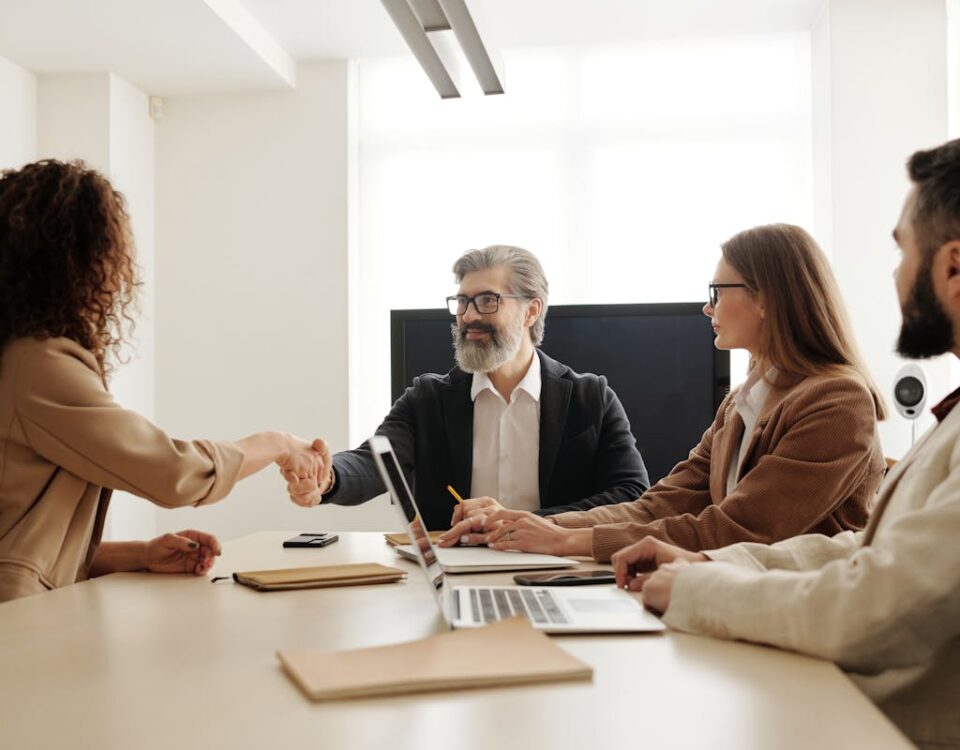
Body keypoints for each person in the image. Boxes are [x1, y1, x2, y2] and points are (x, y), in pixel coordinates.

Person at [612, 138, 960, 750]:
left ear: (953, 268)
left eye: (902, 250)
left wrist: (702, 587)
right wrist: (710, 566)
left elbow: (881, 604)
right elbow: (859, 549)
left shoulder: (835, 400)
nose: (894, 273)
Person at [440, 224, 887, 561]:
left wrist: (570, 540)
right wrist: (535, 526)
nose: (707, 306)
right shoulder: (741, 403)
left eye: (717, 290)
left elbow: (740, 529)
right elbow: (658, 504)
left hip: (799, 625)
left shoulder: (837, 402)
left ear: (766, 298)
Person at [0, 159, 327, 604]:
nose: (117, 276)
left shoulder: (23, 356)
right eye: (109, 254)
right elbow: (172, 473)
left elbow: (20, 536)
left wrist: (138, 555)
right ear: (75, 261)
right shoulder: (37, 364)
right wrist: (275, 443)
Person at [285, 245, 649, 531]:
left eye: (487, 300)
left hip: (557, 566)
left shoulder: (591, 398)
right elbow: (374, 463)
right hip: (457, 567)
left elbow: (632, 495)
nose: (469, 315)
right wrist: (327, 476)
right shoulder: (427, 399)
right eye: (462, 301)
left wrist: (530, 522)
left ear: (531, 311)